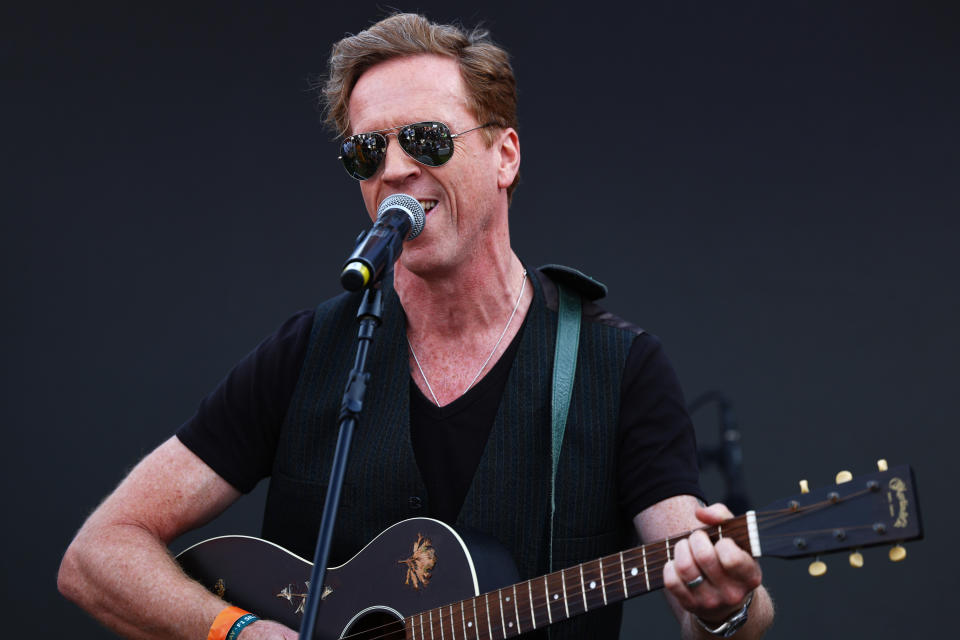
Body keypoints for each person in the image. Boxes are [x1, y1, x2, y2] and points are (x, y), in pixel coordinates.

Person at [58, 13, 773, 640]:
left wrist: (724, 607)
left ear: (505, 155)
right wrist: (234, 630)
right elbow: (97, 554)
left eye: (426, 139)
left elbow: (706, 600)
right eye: (367, 152)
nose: (396, 168)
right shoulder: (306, 355)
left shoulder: (617, 368)